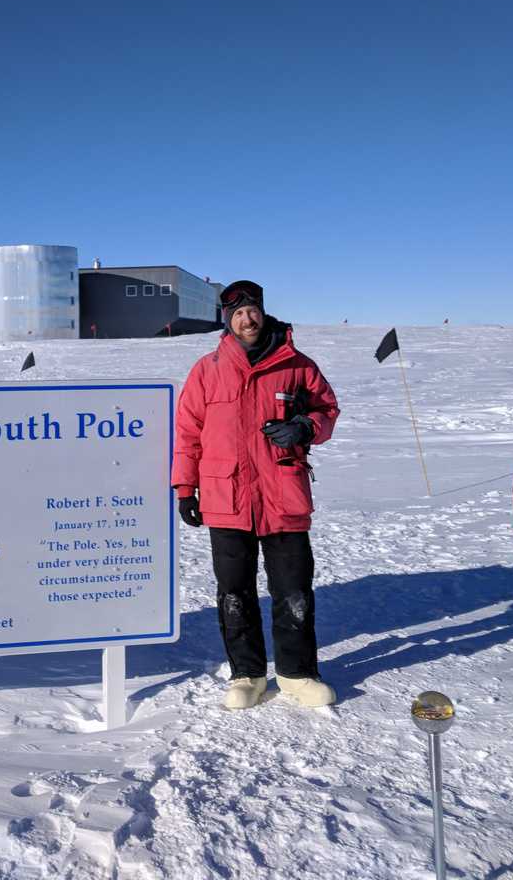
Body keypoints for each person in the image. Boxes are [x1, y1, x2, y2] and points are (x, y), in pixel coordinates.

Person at [172, 280, 340, 710]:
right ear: (226, 320)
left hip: (283, 495)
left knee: (294, 591)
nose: (247, 319)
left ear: (263, 313)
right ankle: (247, 674)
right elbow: (188, 432)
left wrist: (305, 426)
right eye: (238, 313)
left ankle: (297, 674)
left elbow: (326, 410)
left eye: (253, 311)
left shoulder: (296, 365)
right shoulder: (207, 370)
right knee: (234, 591)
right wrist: (184, 488)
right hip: (226, 497)